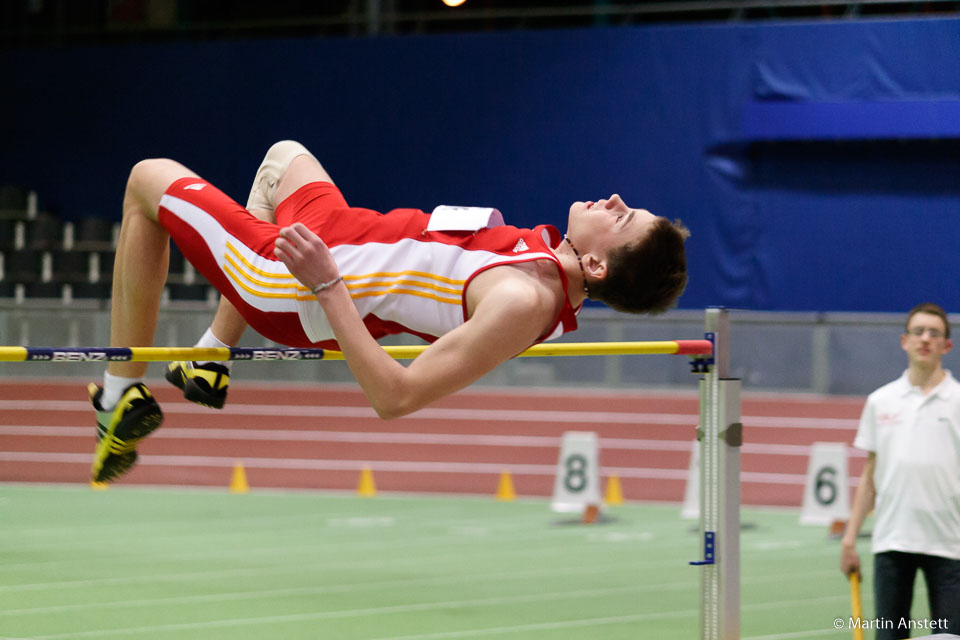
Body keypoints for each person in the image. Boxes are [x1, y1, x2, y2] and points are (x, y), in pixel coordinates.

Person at [90, 140, 690, 483]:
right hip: (334, 232)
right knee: (283, 157)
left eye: (622, 218)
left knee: (146, 180)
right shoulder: (541, 258)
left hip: (294, 277)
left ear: (597, 267)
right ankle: (209, 357)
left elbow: (395, 397)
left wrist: (326, 285)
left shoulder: (522, 301)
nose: (614, 200)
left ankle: (119, 397)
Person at [840, 302, 960, 639]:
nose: (925, 339)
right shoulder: (881, 401)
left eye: (934, 334)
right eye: (918, 332)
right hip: (892, 542)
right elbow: (869, 476)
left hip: (950, 544)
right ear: (904, 340)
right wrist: (850, 539)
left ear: (946, 346)